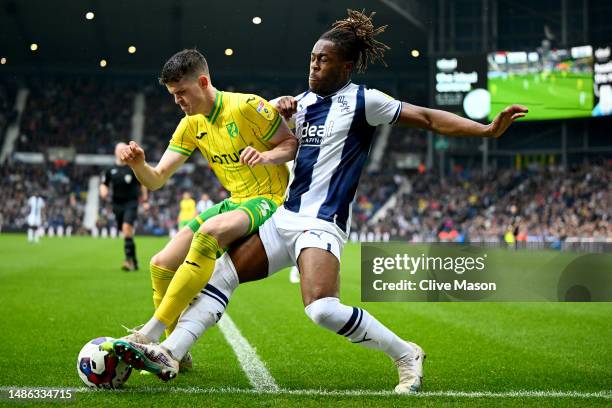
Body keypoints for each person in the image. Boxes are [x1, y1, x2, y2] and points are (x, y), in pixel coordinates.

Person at [113, 10, 527, 393]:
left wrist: (486, 130)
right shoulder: (303, 103)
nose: (313, 66)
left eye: (323, 60)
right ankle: (169, 350)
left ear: (345, 66)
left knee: (322, 310)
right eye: (312, 58)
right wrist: (281, 110)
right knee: (220, 277)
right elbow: (281, 136)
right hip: (284, 217)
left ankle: (406, 353)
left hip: (322, 222)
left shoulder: (366, 102)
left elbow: (430, 118)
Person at [115, 49, 297, 357]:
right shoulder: (190, 124)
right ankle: (176, 352)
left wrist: (266, 156)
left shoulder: (248, 106)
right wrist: (138, 165)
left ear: (202, 82)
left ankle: (150, 333)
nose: (178, 101)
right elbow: (157, 179)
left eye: (182, 92)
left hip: (269, 198)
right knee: (160, 264)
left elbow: (290, 143)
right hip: (236, 201)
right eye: (173, 95)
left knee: (208, 233)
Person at [100, 143, 148, 271]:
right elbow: (104, 183)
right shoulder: (110, 169)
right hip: (117, 204)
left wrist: (145, 200)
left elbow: (142, 183)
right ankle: (135, 260)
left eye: (123, 149)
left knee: (127, 229)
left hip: (131, 202)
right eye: (119, 150)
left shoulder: (132, 168)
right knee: (127, 234)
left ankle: (128, 261)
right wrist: (103, 191)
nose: (121, 152)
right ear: (115, 152)